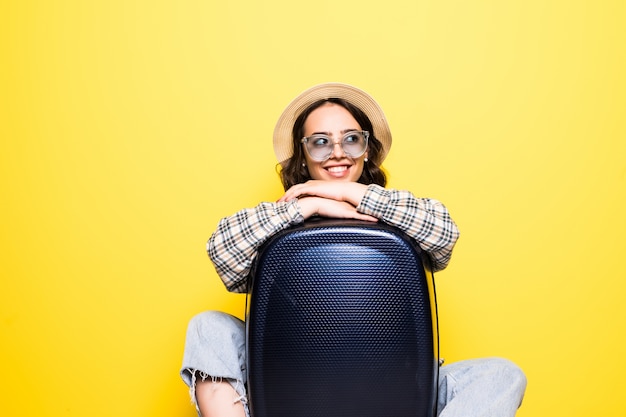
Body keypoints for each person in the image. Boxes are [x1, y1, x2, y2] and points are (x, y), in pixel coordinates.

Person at [181, 83, 527, 417]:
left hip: (397, 380)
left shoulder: (396, 211)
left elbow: (444, 233)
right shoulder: (277, 217)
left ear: (367, 148)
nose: (337, 153)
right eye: (320, 142)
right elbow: (222, 252)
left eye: (351, 139)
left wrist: (350, 194)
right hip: (286, 378)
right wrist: (305, 205)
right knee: (207, 326)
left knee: (500, 375)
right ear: (302, 155)